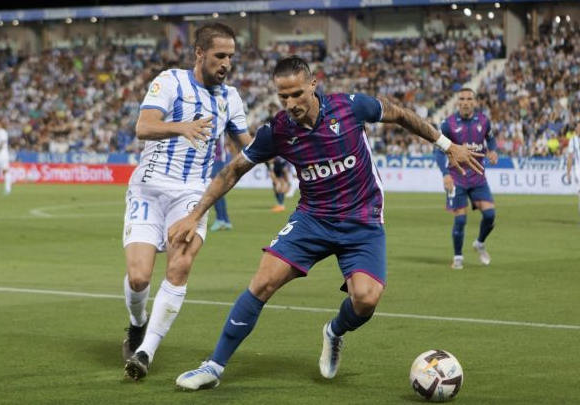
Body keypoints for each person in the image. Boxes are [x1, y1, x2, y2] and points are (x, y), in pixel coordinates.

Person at [169, 56, 483, 390]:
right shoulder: (278, 130)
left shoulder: (351, 107)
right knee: (262, 281)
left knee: (366, 300)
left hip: (362, 220)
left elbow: (401, 114)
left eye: (297, 94)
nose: (291, 103)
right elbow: (233, 170)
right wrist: (195, 215)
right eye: (283, 96)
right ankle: (213, 367)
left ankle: (334, 331)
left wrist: (447, 145)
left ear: (313, 85)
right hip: (312, 219)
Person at [122, 22, 251, 381]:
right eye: (220, 55)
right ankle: (137, 323)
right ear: (199, 53)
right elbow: (143, 127)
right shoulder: (170, 81)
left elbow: (247, 145)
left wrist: (280, 150)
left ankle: (145, 352)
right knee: (138, 277)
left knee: (179, 268)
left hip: (193, 194)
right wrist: (182, 127)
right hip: (149, 189)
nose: (226, 63)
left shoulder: (231, 98)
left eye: (230, 57)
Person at [434, 88, 498, 270]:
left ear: (475, 102)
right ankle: (458, 257)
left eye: (469, 99)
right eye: (462, 99)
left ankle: (479, 243)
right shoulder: (448, 124)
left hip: (478, 177)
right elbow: (438, 152)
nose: (465, 102)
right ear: (457, 102)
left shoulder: (484, 121)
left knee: (490, 215)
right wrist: (445, 174)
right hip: (457, 177)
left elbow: (491, 139)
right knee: (460, 220)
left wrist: (493, 150)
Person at [209, 134, 233, 231]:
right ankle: (225, 220)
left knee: (214, 190)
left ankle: (220, 219)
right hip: (219, 158)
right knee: (219, 192)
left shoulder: (218, 128)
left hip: (218, 159)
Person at [566, 125, 580, 215]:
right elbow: (570, 157)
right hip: (578, 169)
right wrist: (568, 172)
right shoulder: (573, 140)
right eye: (578, 127)